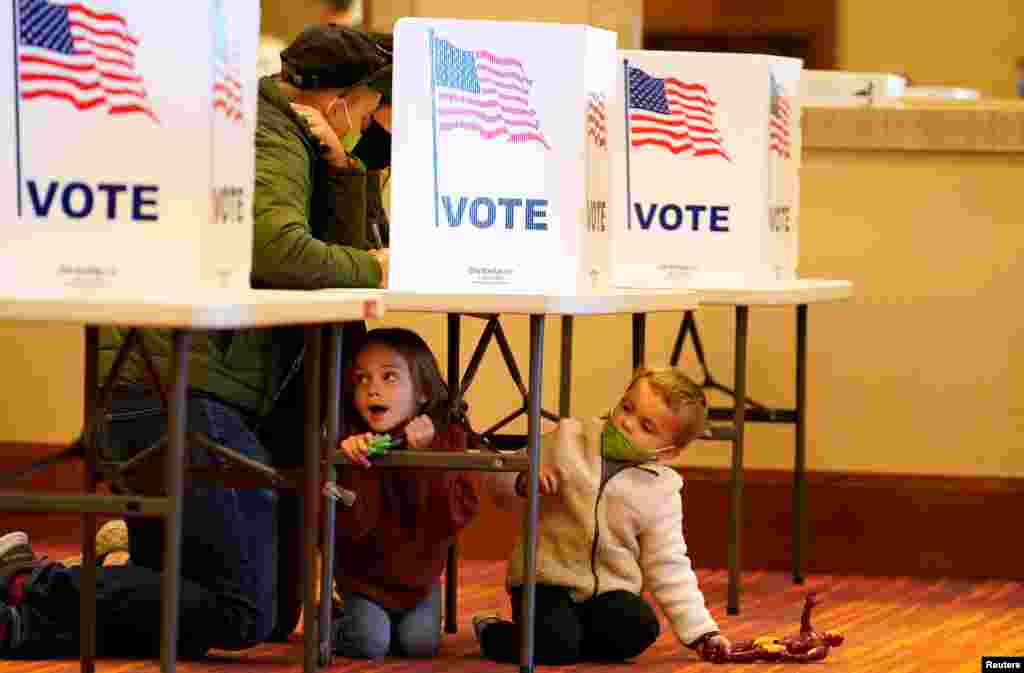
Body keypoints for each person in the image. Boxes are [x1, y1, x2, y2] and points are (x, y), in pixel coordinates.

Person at [0, 25, 393, 661]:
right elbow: (277, 253)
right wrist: (376, 267)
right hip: (175, 390)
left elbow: (330, 246)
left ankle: (22, 622)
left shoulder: (292, 135)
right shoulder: (269, 133)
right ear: (338, 101)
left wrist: (346, 170)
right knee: (241, 610)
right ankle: (30, 582)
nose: (375, 124)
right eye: (372, 110)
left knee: (254, 612)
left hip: (186, 388)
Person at [473, 367, 731, 665]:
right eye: (626, 407)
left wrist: (703, 633)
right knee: (555, 644)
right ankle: (493, 631)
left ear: (669, 452)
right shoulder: (569, 439)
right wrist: (522, 481)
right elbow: (499, 478)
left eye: (646, 426)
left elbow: (669, 564)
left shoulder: (662, 491)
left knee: (639, 627)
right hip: (545, 582)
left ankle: (567, 639)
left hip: (608, 590)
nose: (625, 422)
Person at [329, 328, 480, 659]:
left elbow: (449, 519)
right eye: (362, 379)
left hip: (420, 581)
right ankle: (331, 620)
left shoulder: (448, 438)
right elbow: (351, 529)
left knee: (420, 644)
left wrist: (428, 459)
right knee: (369, 642)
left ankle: (386, 624)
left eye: (389, 377)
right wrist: (354, 464)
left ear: (423, 392)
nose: (373, 390)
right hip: (364, 582)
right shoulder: (349, 440)